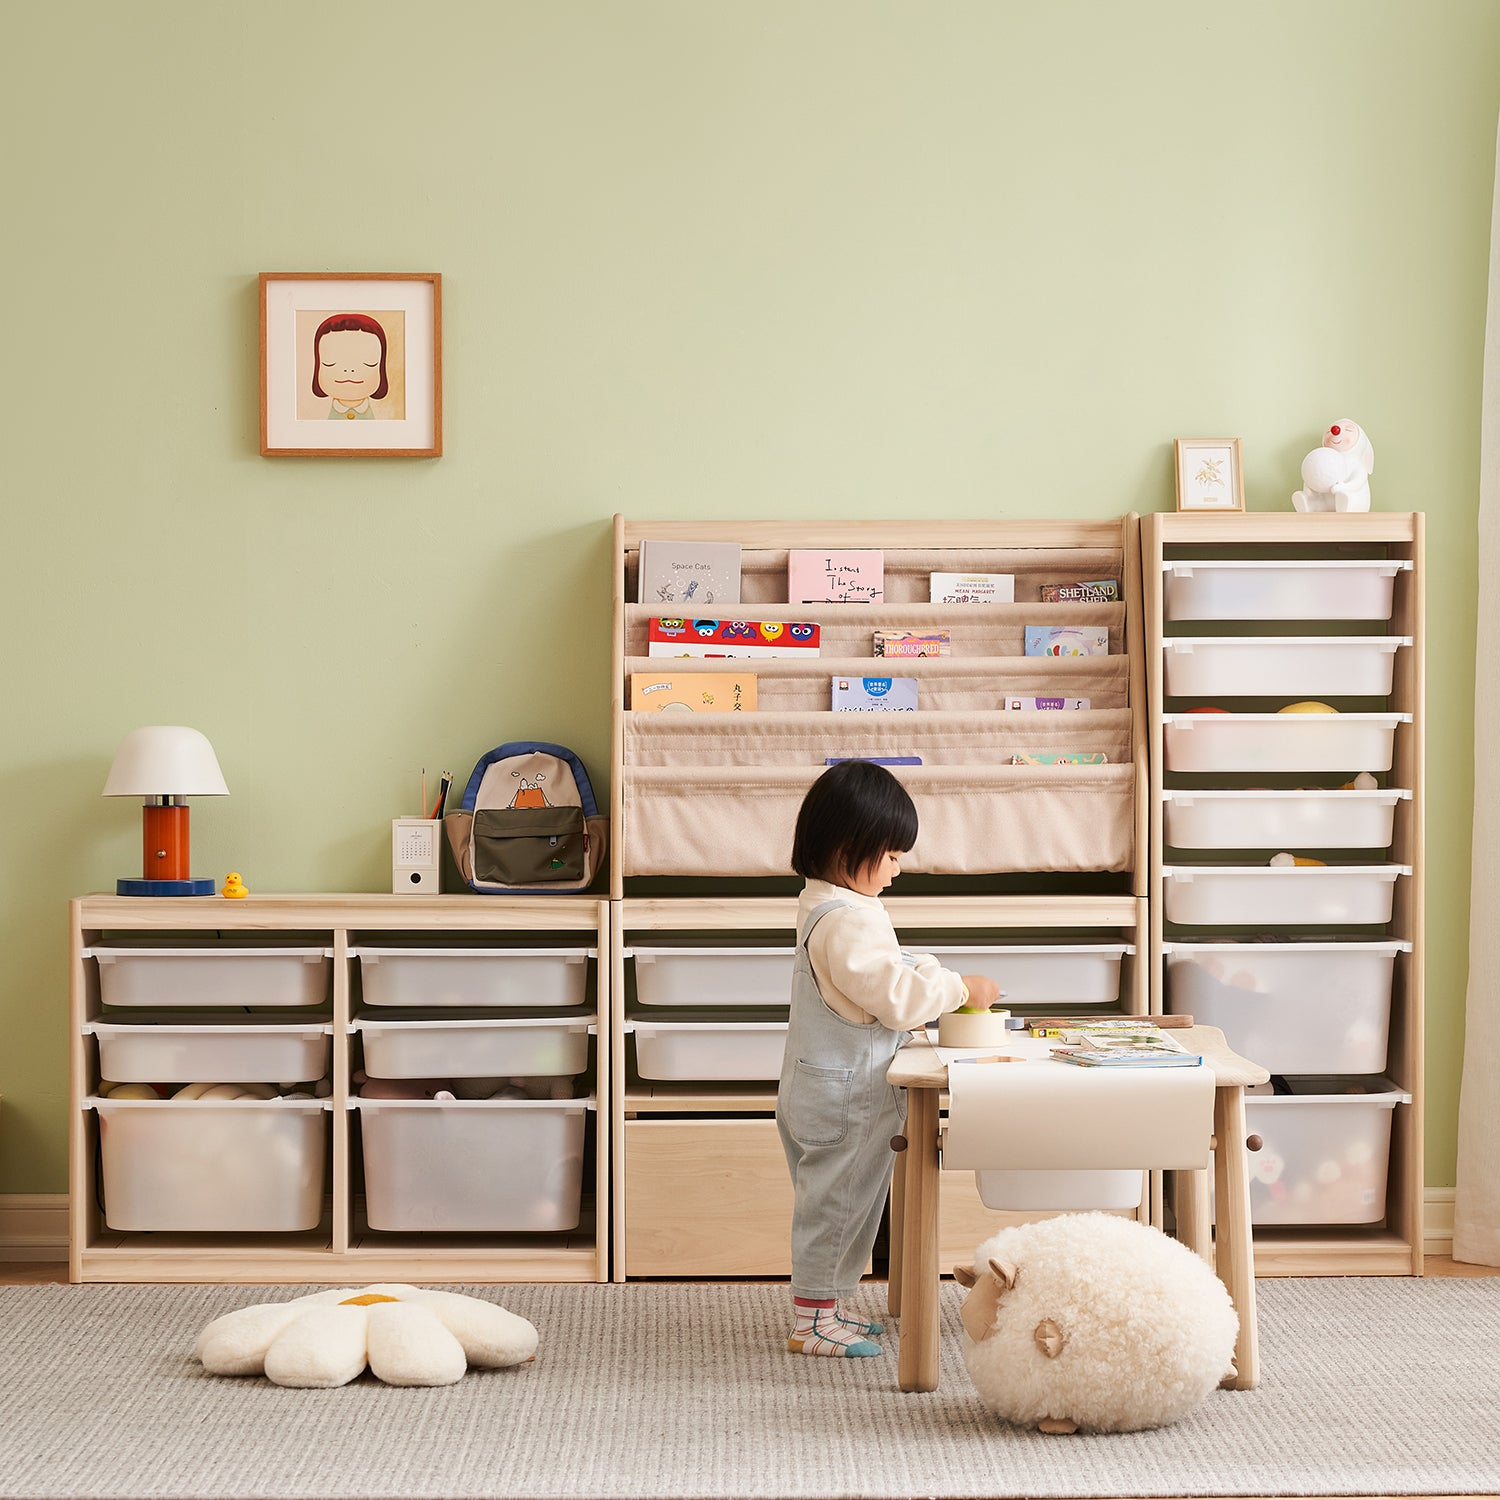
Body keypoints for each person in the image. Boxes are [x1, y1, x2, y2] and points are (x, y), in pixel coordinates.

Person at [776, 760, 1001, 1357]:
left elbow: (879, 975)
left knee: (847, 1203)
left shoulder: (830, 905)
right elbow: (897, 1000)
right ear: (852, 849)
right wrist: (959, 988)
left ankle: (830, 1305)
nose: (899, 869)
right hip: (843, 1097)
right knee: (838, 1206)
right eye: (893, 856)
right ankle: (813, 1320)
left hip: (832, 1087)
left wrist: (925, 966)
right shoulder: (847, 920)